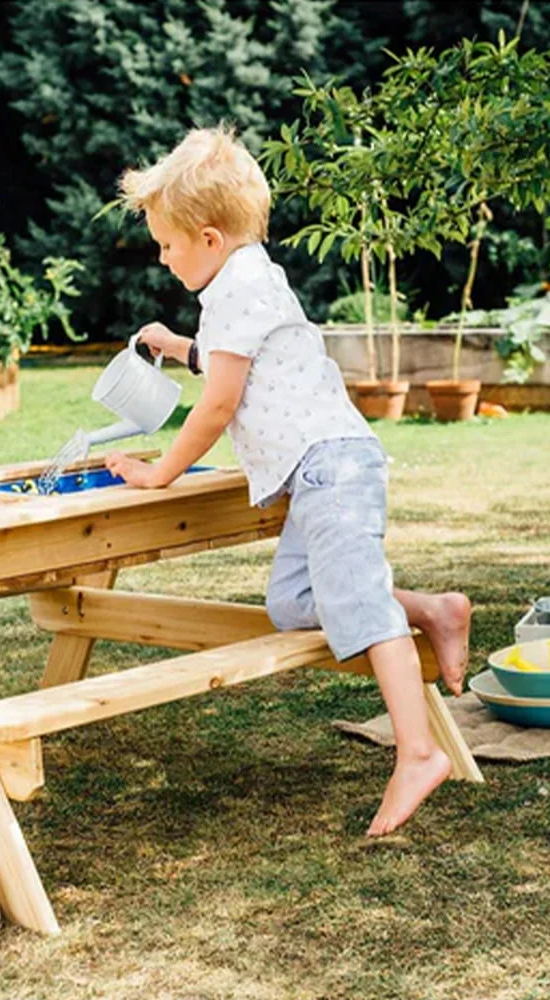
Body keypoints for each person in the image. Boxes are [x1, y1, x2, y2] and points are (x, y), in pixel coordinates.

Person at [105, 126, 471, 837]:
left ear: (209, 238)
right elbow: (229, 364)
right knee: (294, 602)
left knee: (359, 606)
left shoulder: (238, 286)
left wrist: (160, 474)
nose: (161, 256)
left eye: (167, 245)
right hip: (314, 475)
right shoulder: (242, 283)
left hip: (330, 466)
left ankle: (419, 750)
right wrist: (173, 344)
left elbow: (219, 402)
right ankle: (434, 609)